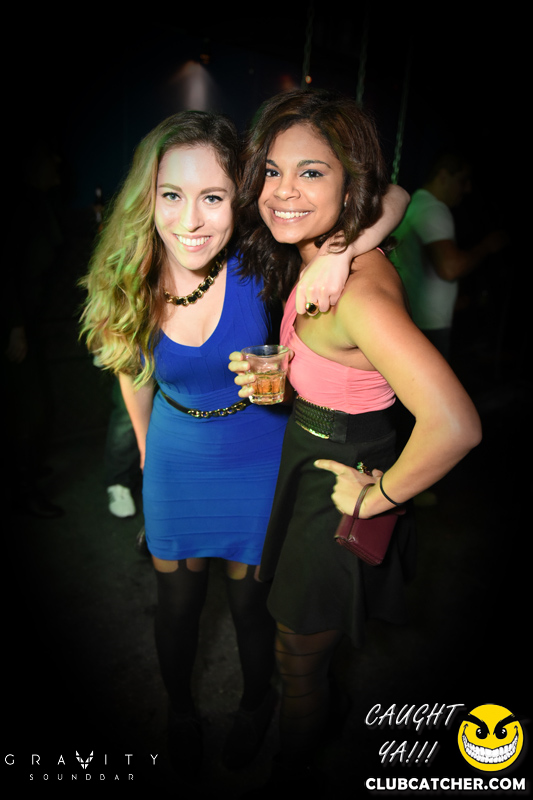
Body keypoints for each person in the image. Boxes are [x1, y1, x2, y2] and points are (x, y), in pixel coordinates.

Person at [80, 109, 409, 776]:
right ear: (147, 198)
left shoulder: (264, 261)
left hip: (257, 454)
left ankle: (256, 705)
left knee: (250, 605)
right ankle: (180, 711)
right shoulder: (131, 273)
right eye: (171, 195)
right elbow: (129, 375)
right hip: (173, 453)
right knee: (176, 605)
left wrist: (340, 253)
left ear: (240, 198)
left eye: (213, 197)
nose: (190, 220)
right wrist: (145, 451)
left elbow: (396, 195)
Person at [229, 89, 482, 787]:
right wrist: (285, 380)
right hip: (311, 450)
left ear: (350, 185)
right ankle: (317, 718)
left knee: (297, 659)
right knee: (297, 643)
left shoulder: (360, 294)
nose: (282, 191)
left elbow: (457, 424)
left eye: (311, 172)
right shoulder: (320, 253)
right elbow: (394, 195)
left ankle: (296, 764)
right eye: (272, 171)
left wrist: (378, 498)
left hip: (341, 478)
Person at [390, 150, 507, 360]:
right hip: (428, 328)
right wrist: (487, 247)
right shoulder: (434, 209)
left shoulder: (415, 204)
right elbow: (450, 268)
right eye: (463, 181)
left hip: (410, 320)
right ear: (443, 176)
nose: (467, 189)